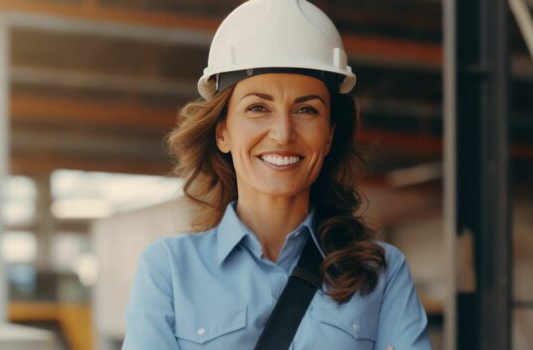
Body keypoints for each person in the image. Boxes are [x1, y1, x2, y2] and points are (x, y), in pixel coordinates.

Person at [121, 0, 432, 349]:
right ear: (222, 132)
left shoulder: (382, 273)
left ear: (329, 134)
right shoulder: (170, 269)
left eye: (306, 109)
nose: (283, 133)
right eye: (257, 108)